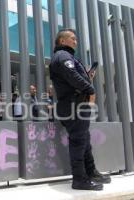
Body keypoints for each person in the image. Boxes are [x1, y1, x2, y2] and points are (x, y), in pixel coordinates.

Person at [49, 29, 110, 190]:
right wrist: (90, 89)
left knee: (84, 141)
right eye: (72, 38)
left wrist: (87, 77)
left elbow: (73, 78)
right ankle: (79, 180)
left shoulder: (66, 57)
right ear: (62, 41)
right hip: (73, 106)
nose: (76, 41)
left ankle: (90, 172)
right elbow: (72, 76)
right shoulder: (63, 56)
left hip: (75, 105)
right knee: (78, 142)